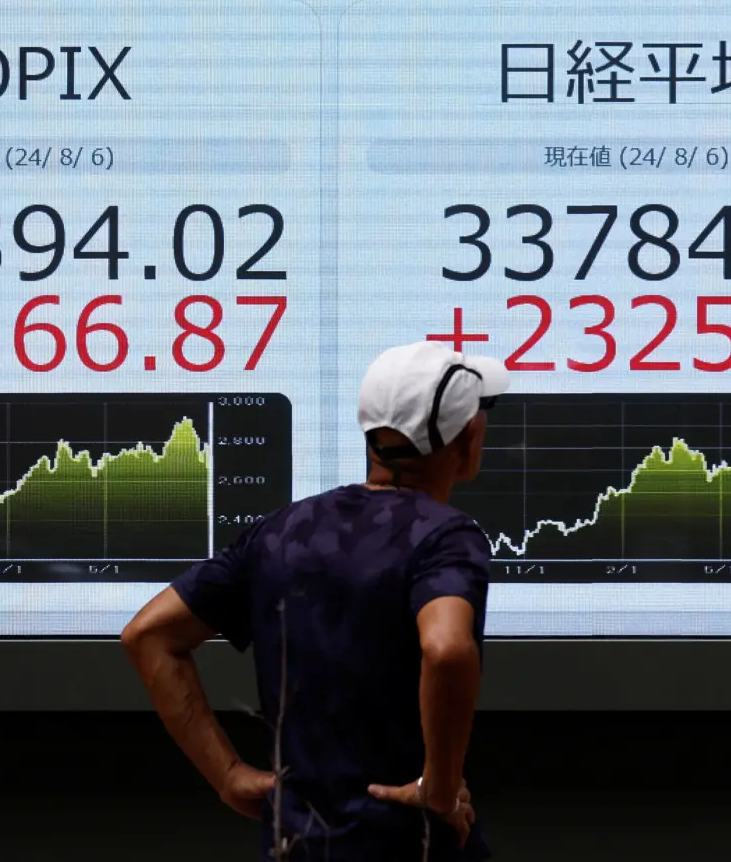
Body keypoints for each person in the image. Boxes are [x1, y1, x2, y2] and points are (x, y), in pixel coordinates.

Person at [121, 341, 507, 860]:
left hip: (296, 843)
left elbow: (148, 634)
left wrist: (229, 775)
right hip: (407, 843)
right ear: (468, 439)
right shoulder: (446, 538)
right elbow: (447, 649)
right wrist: (438, 788)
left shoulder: (281, 530)